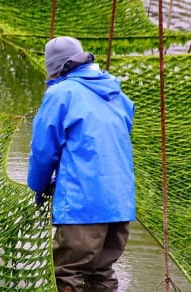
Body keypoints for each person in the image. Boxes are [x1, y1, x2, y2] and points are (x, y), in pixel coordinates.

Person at [27, 36, 136, 292]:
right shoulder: (118, 94)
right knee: (101, 272)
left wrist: (37, 186)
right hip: (120, 204)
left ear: (55, 67)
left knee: (67, 273)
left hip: (84, 205)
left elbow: (43, 151)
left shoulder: (61, 94)